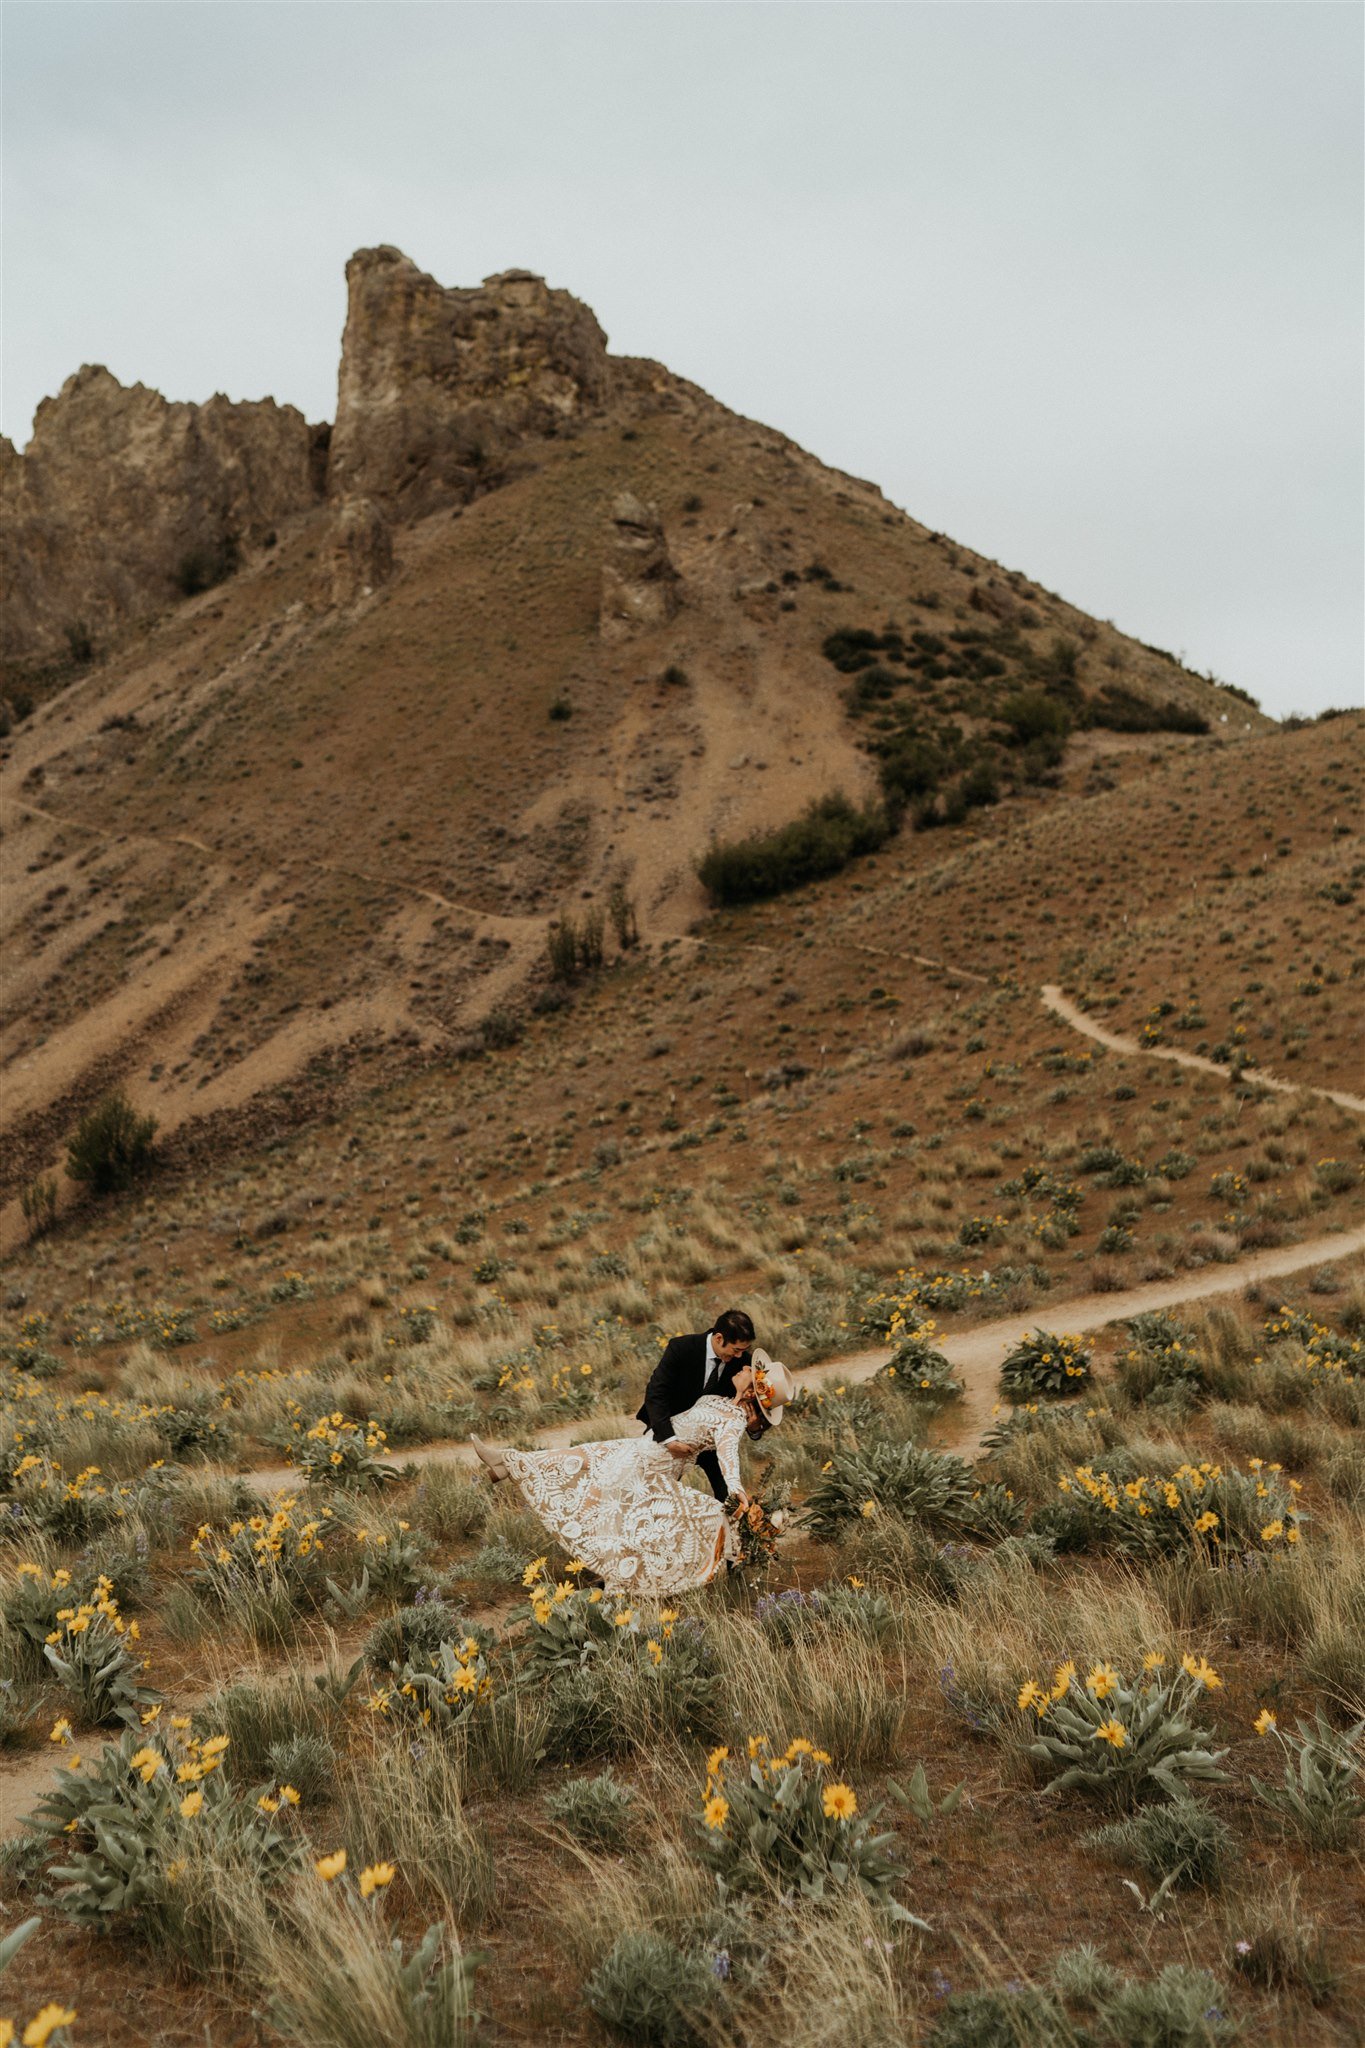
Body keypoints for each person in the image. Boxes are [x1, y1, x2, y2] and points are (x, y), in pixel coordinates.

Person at [470, 1352, 794, 1598]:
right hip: (645, 1448)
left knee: (603, 1492)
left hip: (654, 1464)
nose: (743, 1367)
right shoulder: (717, 1400)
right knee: (582, 1460)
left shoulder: (732, 1421)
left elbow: (726, 1456)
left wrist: (735, 1487)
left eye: (750, 1370)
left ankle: (615, 1582)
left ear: (753, 1389)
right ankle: (505, 1464)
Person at [636, 1309, 768, 1502]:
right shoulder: (681, 1348)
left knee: (727, 1496)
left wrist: (755, 1428)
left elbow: (759, 1406)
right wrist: (669, 1440)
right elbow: (656, 1393)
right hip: (672, 1432)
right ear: (719, 1338)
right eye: (736, 1350)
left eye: (743, 1350)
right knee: (656, 1494)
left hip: (711, 1441)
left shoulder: (744, 1364)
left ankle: (729, 1530)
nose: (740, 1356)